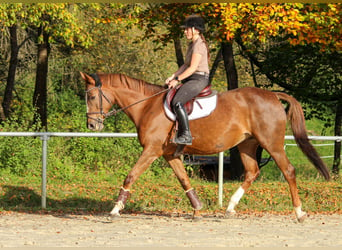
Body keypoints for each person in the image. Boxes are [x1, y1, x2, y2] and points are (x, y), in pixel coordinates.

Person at [165, 15, 210, 145]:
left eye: (187, 29)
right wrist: (172, 76)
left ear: (195, 29)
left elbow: (192, 68)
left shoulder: (199, 45)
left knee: (178, 101)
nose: (185, 32)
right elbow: (185, 65)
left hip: (199, 79)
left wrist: (177, 80)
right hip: (192, 78)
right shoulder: (192, 44)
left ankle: (186, 135)